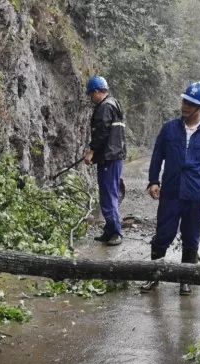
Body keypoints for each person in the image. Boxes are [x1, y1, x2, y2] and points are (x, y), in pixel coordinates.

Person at [140, 81, 200, 295]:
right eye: (184, 100)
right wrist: (153, 181)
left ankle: (186, 280)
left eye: (191, 103)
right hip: (171, 192)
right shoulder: (169, 129)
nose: (185, 106)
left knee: (191, 237)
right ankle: (154, 276)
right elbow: (157, 156)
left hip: (196, 195)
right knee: (163, 235)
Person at [82, 75, 127, 246]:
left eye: (90, 94)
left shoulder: (105, 107)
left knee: (109, 195)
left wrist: (91, 151)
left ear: (96, 91)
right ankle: (109, 231)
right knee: (106, 194)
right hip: (111, 156)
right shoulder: (113, 103)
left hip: (110, 158)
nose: (90, 98)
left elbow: (102, 132)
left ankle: (116, 232)